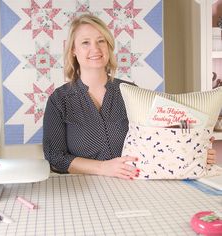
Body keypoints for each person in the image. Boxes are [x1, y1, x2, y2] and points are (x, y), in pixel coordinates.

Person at [43, 14, 216, 180]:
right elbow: (55, 158)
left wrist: (194, 146)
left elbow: (165, 133)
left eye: (101, 41)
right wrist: (103, 168)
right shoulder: (59, 100)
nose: (95, 49)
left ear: (109, 46)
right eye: (85, 43)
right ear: (73, 50)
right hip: (83, 188)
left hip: (134, 184)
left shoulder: (132, 93)